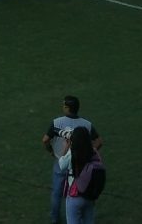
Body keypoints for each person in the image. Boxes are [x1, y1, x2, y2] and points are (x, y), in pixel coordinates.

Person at [44, 96, 102, 224]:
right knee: (80, 188)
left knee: (57, 193)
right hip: (81, 165)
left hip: (62, 161)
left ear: (67, 108)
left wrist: (52, 152)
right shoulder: (86, 124)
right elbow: (99, 141)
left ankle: (55, 219)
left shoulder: (57, 122)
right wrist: (87, 152)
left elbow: (45, 140)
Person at [59, 126, 103, 224]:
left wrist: (66, 146)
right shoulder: (93, 151)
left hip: (75, 195)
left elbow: (61, 165)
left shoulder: (72, 152)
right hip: (89, 194)